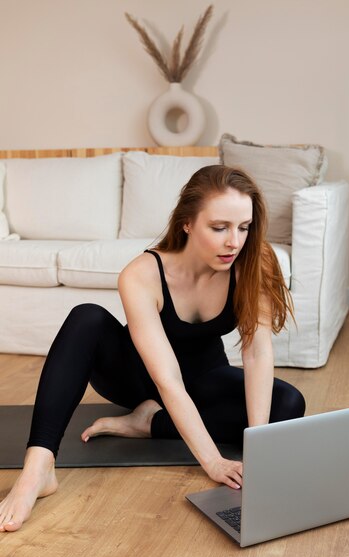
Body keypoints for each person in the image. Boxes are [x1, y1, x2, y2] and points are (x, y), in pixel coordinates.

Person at [0, 164, 305, 533]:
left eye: (244, 227)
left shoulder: (254, 262)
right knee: (87, 318)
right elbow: (168, 380)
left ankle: (150, 422)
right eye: (219, 227)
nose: (234, 242)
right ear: (187, 223)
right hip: (136, 376)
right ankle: (38, 470)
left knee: (288, 405)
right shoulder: (142, 273)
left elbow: (257, 354)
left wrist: (259, 445)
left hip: (203, 376)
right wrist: (211, 461)